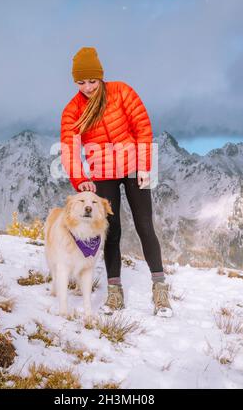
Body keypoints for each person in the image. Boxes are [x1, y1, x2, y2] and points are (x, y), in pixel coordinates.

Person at [60, 47, 172, 317]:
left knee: (145, 225)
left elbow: (142, 128)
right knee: (111, 230)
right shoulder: (73, 110)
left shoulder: (122, 92)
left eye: (92, 81)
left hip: (135, 167)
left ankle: (159, 289)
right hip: (103, 172)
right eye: (81, 82)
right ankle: (114, 292)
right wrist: (80, 179)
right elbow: (68, 148)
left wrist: (145, 166)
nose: (87, 87)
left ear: (101, 76)